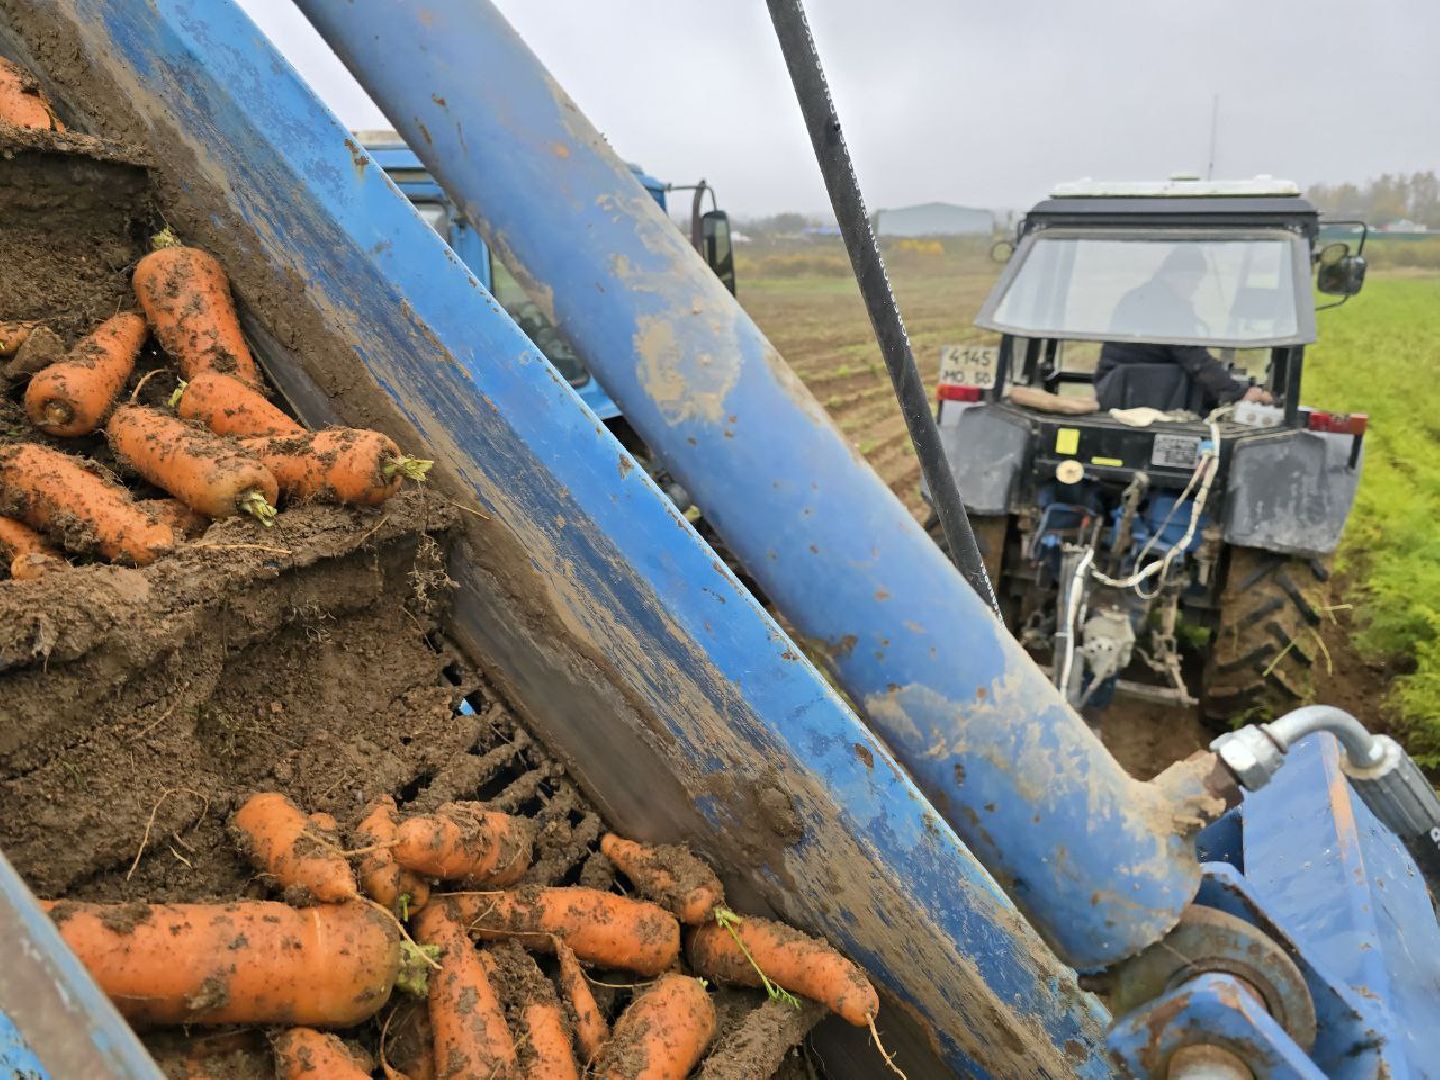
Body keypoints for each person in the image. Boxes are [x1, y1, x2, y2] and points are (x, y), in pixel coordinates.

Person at [1095, 245, 1273, 411]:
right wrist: (1238, 392)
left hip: (1116, 388)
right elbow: (1194, 360)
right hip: (1131, 392)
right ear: (1175, 275)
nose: (1195, 287)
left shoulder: (1140, 297)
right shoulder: (1166, 306)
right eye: (1194, 280)